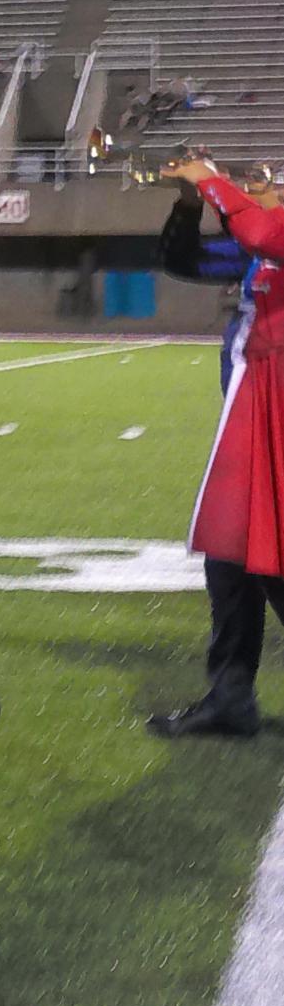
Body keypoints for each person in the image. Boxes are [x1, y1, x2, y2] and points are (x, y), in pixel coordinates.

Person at [148, 156, 284, 738]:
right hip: (251, 419)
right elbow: (185, 260)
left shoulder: (269, 231)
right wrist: (189, 205)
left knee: (274, 561)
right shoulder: (266, 240)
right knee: (228, 559)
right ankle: (230, 698)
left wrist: (212, 177)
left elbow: (258, 231)